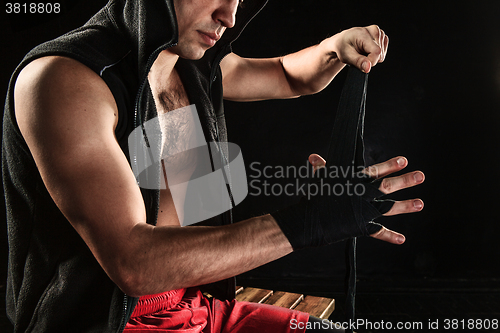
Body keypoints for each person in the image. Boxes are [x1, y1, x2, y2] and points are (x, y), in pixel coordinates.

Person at [2, 0, 425, 332]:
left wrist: (335, 48)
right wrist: (308, 222)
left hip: (201, 308)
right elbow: (134, 264)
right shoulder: (64, 82)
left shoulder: (190, 63)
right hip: (113, 323)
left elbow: (287, 74)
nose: (230, 15)